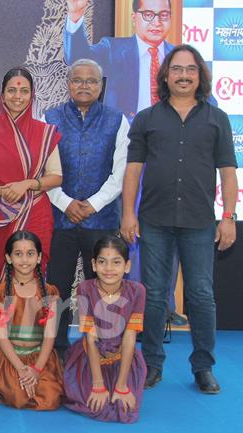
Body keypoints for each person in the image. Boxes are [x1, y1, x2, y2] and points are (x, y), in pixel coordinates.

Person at [121, 45, 238, 394]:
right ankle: (152, 364)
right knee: (155, 295)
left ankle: (203, 366)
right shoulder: (146, 118)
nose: (183, 75)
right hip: (154, 220)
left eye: (190, 69)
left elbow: (229, 174)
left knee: (201, 296)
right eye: (176, 69)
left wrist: (228, 217)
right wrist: (128, 212)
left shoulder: (218, 119)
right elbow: (133, 171)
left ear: (199, 75)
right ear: (166, 75)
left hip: (200, 222)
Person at [45, 59, 129, 358]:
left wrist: (91, 205)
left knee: (103, 289)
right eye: (78, 80)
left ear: (100, 85)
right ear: (68, 84)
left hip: (102, 221)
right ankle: (56, 350)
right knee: (57, 288)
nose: (84, 85)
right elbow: (43, 169)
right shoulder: (49, 118)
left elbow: (120, 175)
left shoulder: (117, 120)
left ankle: (103, 348)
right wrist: (66, 203)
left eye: (91, 81)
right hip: (59, 219)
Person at [0, 67, 62, 285]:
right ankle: (0, 319)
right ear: (2, 96)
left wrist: (27, 184)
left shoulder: (45, 132)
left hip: (35, 211)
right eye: (12, 91)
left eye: (24, 91)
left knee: (33, 274)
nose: (17, 97)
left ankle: (30, 319)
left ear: (32, 95)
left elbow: (57, 177)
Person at [0, 230, 63, 410]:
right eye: (18, 254)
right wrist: (20, 368)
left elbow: (50, 336)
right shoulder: (2, 292)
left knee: (50, 399)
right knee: (18, 396)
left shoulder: (49, 292)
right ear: (9, 258)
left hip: (39, 358)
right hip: (10, 357)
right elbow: (1, 335)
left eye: (30, 254)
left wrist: (36, 369)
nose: (24, 259)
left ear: (39, 257)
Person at [63, 235, 146, 423]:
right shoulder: (85, 289)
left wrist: (122, 385)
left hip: (123, 359)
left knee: (124, 411)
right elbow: (90, 338)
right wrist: (98, 385)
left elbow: (129, 338)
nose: (109, 269)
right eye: (102, 262)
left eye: (116, 262)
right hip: (89, 359)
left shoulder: (137, 291)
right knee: (97, 408)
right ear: (93, 264)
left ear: (127, 266)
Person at [63, 0, 173, 122]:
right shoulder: (113, 49)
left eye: (163, 15)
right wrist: (75, 16)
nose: (157, 22)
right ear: (134, 17)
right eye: (148, 15)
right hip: (123, 135)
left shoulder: (178, 56)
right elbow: (77, 58)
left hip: (168, 135)